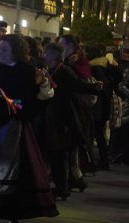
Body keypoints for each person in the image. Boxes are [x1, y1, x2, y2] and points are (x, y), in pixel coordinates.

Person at [0, 34, 58, 223]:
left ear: (15, 51)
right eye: (0, 48)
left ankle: (14, 216)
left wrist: (40, 85)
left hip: (16, 128)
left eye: (4, 49)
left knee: (18, 172)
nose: (0, 52)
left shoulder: (29, 72)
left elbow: (42, 97)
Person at [43, 43, 103, 199]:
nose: (43, 55)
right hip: (54, 118)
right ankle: (62, 186)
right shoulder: (50, 70)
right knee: (57, 155)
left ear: (54, 56)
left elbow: (78, 84)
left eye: (46, 52)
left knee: (59, 155)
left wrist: (93, 87)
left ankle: (62, 187)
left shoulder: (64, 71)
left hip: (62, 120)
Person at [59, 34, 96, 185]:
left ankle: (76, 176)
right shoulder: (68, 59)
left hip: (76, 105)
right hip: (69, 104)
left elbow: (83, 78)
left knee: (73, 140)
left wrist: (72, 65)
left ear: (69, 46)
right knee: (69, 142)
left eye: (61, 44)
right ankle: (74, 176)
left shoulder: (77, 60)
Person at [84, 45, 113, 170]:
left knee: (96, 134)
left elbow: (102, 87)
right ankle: (101, 161)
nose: (84, 54)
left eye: (85, 51)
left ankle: (98, 162)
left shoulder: (96, 68)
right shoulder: (103, 66)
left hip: (98, 108)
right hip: (102, 107)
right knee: (98, 134)